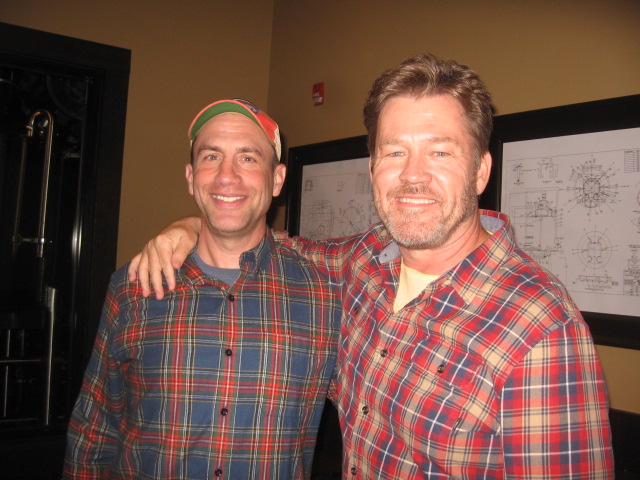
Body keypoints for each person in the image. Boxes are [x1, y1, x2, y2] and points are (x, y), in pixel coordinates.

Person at [130, 55, 614, 478]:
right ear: (372, 169)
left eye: (440, 151)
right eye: (395, 151)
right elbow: (271, 243)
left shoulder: (542, 330)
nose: (413, 174)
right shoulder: (364, 261)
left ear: (480, 170)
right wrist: (191, 226)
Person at [64, 99, 341, 479]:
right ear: (191, 176)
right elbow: (94, 427)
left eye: (247, 158)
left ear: (277, 179)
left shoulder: (324, 294)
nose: (227, 176)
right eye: (212, 157)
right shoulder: (134, 286)